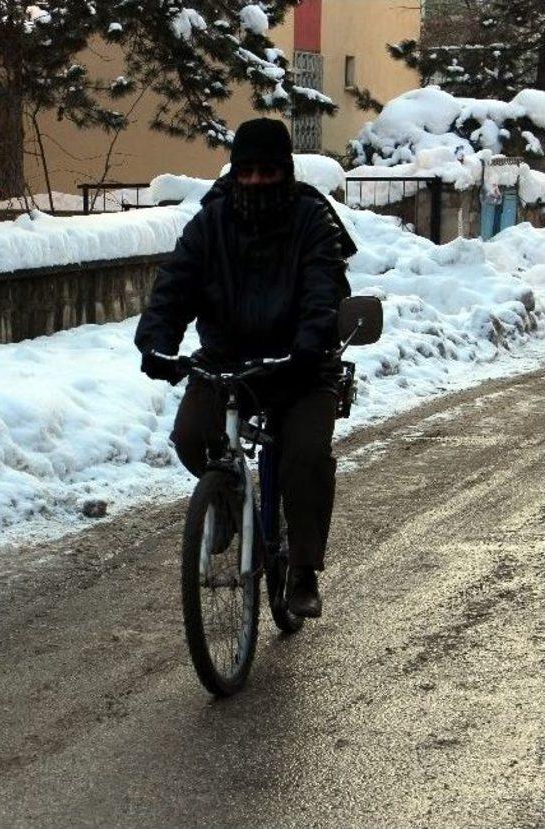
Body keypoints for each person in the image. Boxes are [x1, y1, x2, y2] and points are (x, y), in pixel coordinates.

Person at [135, 117, 355, 618]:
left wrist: (308, 348)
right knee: (192, 436)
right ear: (234, 172)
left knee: (304, 456)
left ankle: (301, 569)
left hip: (299, 367)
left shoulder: (311, 222)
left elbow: (323, 292)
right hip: (227, 362)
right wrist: (155, 344)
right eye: (246, 171)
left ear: (285, 172)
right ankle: (231, 504)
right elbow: (174, 287)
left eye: (267, 172)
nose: (256, 181)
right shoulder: (209, 224)